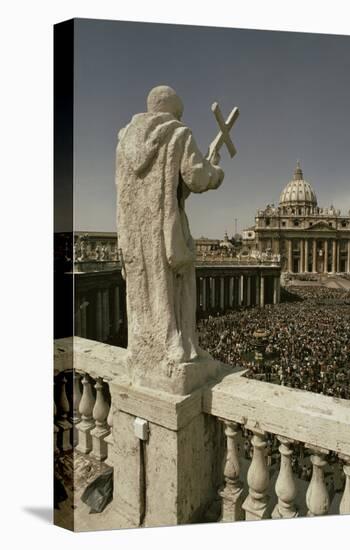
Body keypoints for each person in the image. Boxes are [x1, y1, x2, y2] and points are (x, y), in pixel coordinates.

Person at [116, 85, 224, 385]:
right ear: (174, 111)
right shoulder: (179, 133)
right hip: (165, 233)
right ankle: (179, 349)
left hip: (133, 236)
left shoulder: (123, 140)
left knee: (143, 297)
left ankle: (143, 350)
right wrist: (216, 171)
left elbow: (164, 185)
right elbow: (197, 178)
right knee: (177, 292)